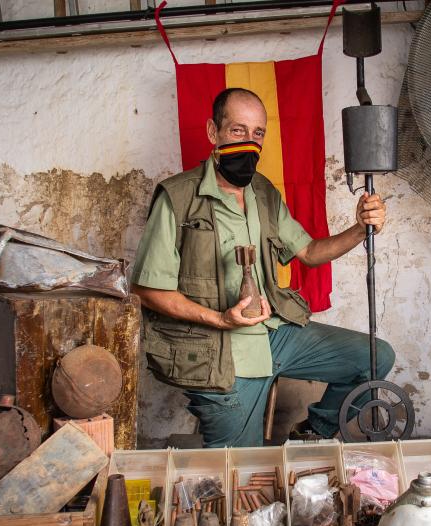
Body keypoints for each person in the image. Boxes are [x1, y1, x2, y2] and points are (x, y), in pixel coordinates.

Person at [130, 87, 394, 447]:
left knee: (374, 358)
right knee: (242, 470)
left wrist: (361, 228)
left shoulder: (264, 192)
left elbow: (311, 252)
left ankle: (315, 431)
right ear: (213, 132)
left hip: (274, 334)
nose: (249, 143)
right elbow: (147, 290)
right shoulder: (177, 198)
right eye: (238, 131)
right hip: (219, 352)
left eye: (258, 134)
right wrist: (221, 319)